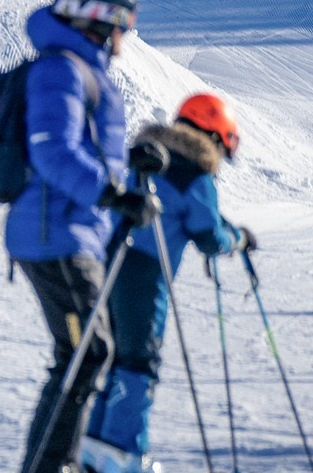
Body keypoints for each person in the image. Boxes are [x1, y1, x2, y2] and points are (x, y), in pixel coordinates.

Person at [7, 0, 152, 473]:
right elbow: (52, 151)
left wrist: (133, 163)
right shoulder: (60, 70)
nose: (125, 38)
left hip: (72, 232)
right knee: (86, 353)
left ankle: (53, 464)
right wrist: (112, 193)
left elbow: (84, 146)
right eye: (124, 25)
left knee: (84, 353)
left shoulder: (78, 69)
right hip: (56, 235)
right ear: (100, 20)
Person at [81, 95, 255, 473]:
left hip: (104, 262)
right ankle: (124, 455)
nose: (222, 158)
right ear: (212, 135)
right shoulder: (196, 172)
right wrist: (237, 239)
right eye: (223, 147)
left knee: (110, 357)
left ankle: (93, 450)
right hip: (144, 275)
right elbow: (209, 237)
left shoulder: (145, 155)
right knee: (139, 361)